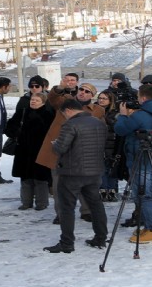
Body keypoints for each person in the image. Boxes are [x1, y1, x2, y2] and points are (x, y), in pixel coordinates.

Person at [43, 100, 108, 253]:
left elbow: (61, 147)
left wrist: (54, 143)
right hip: (94, 171)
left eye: (64, 113)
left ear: (69, 110)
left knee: (67, 208)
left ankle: (67, 243)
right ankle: (100, 238)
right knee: (96, 205)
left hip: (72, 172)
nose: (65, 117)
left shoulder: (70, 125)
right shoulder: (98, 123)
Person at [37, 78, 105, 224]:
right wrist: (60, 87)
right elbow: (53, 98)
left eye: (87, 91)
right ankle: (61, 214)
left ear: (92, 96)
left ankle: (86, 211)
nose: (83, 93)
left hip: (80, 152)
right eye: (81, 89)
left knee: (83, 184)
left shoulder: (98, 110)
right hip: (59, 149)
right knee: (58, 185)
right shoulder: (65, 101)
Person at [114, 84, 152, 244]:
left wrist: (123, 115)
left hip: (141, 158)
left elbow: (121, 129)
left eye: (139, 96)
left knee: (144, 194)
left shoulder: (142, 115)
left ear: (144, 98)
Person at [5, 92, 55, 210]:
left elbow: (50, 132)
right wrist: (16, 132)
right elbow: (9, 127)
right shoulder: (22, 112)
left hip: (40, 151)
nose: (33, 102)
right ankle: (26, 202)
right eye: (32, 99)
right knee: (25, 178)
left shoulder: (48, 115)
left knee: (40, 179)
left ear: (43, 102)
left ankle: (41, 203)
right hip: (23, 150)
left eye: (37, 100)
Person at [96, 90, 121, 202]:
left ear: (110, 101)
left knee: (111, 168)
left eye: (104, 98)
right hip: (98, 143)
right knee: (101, 168)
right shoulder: (95, 110)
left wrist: (106, 119)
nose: (101, 100)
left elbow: (117, 126)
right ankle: (102, 190)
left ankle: (112, 190)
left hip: (112, 143)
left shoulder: (116, 113)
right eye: (100, 98)